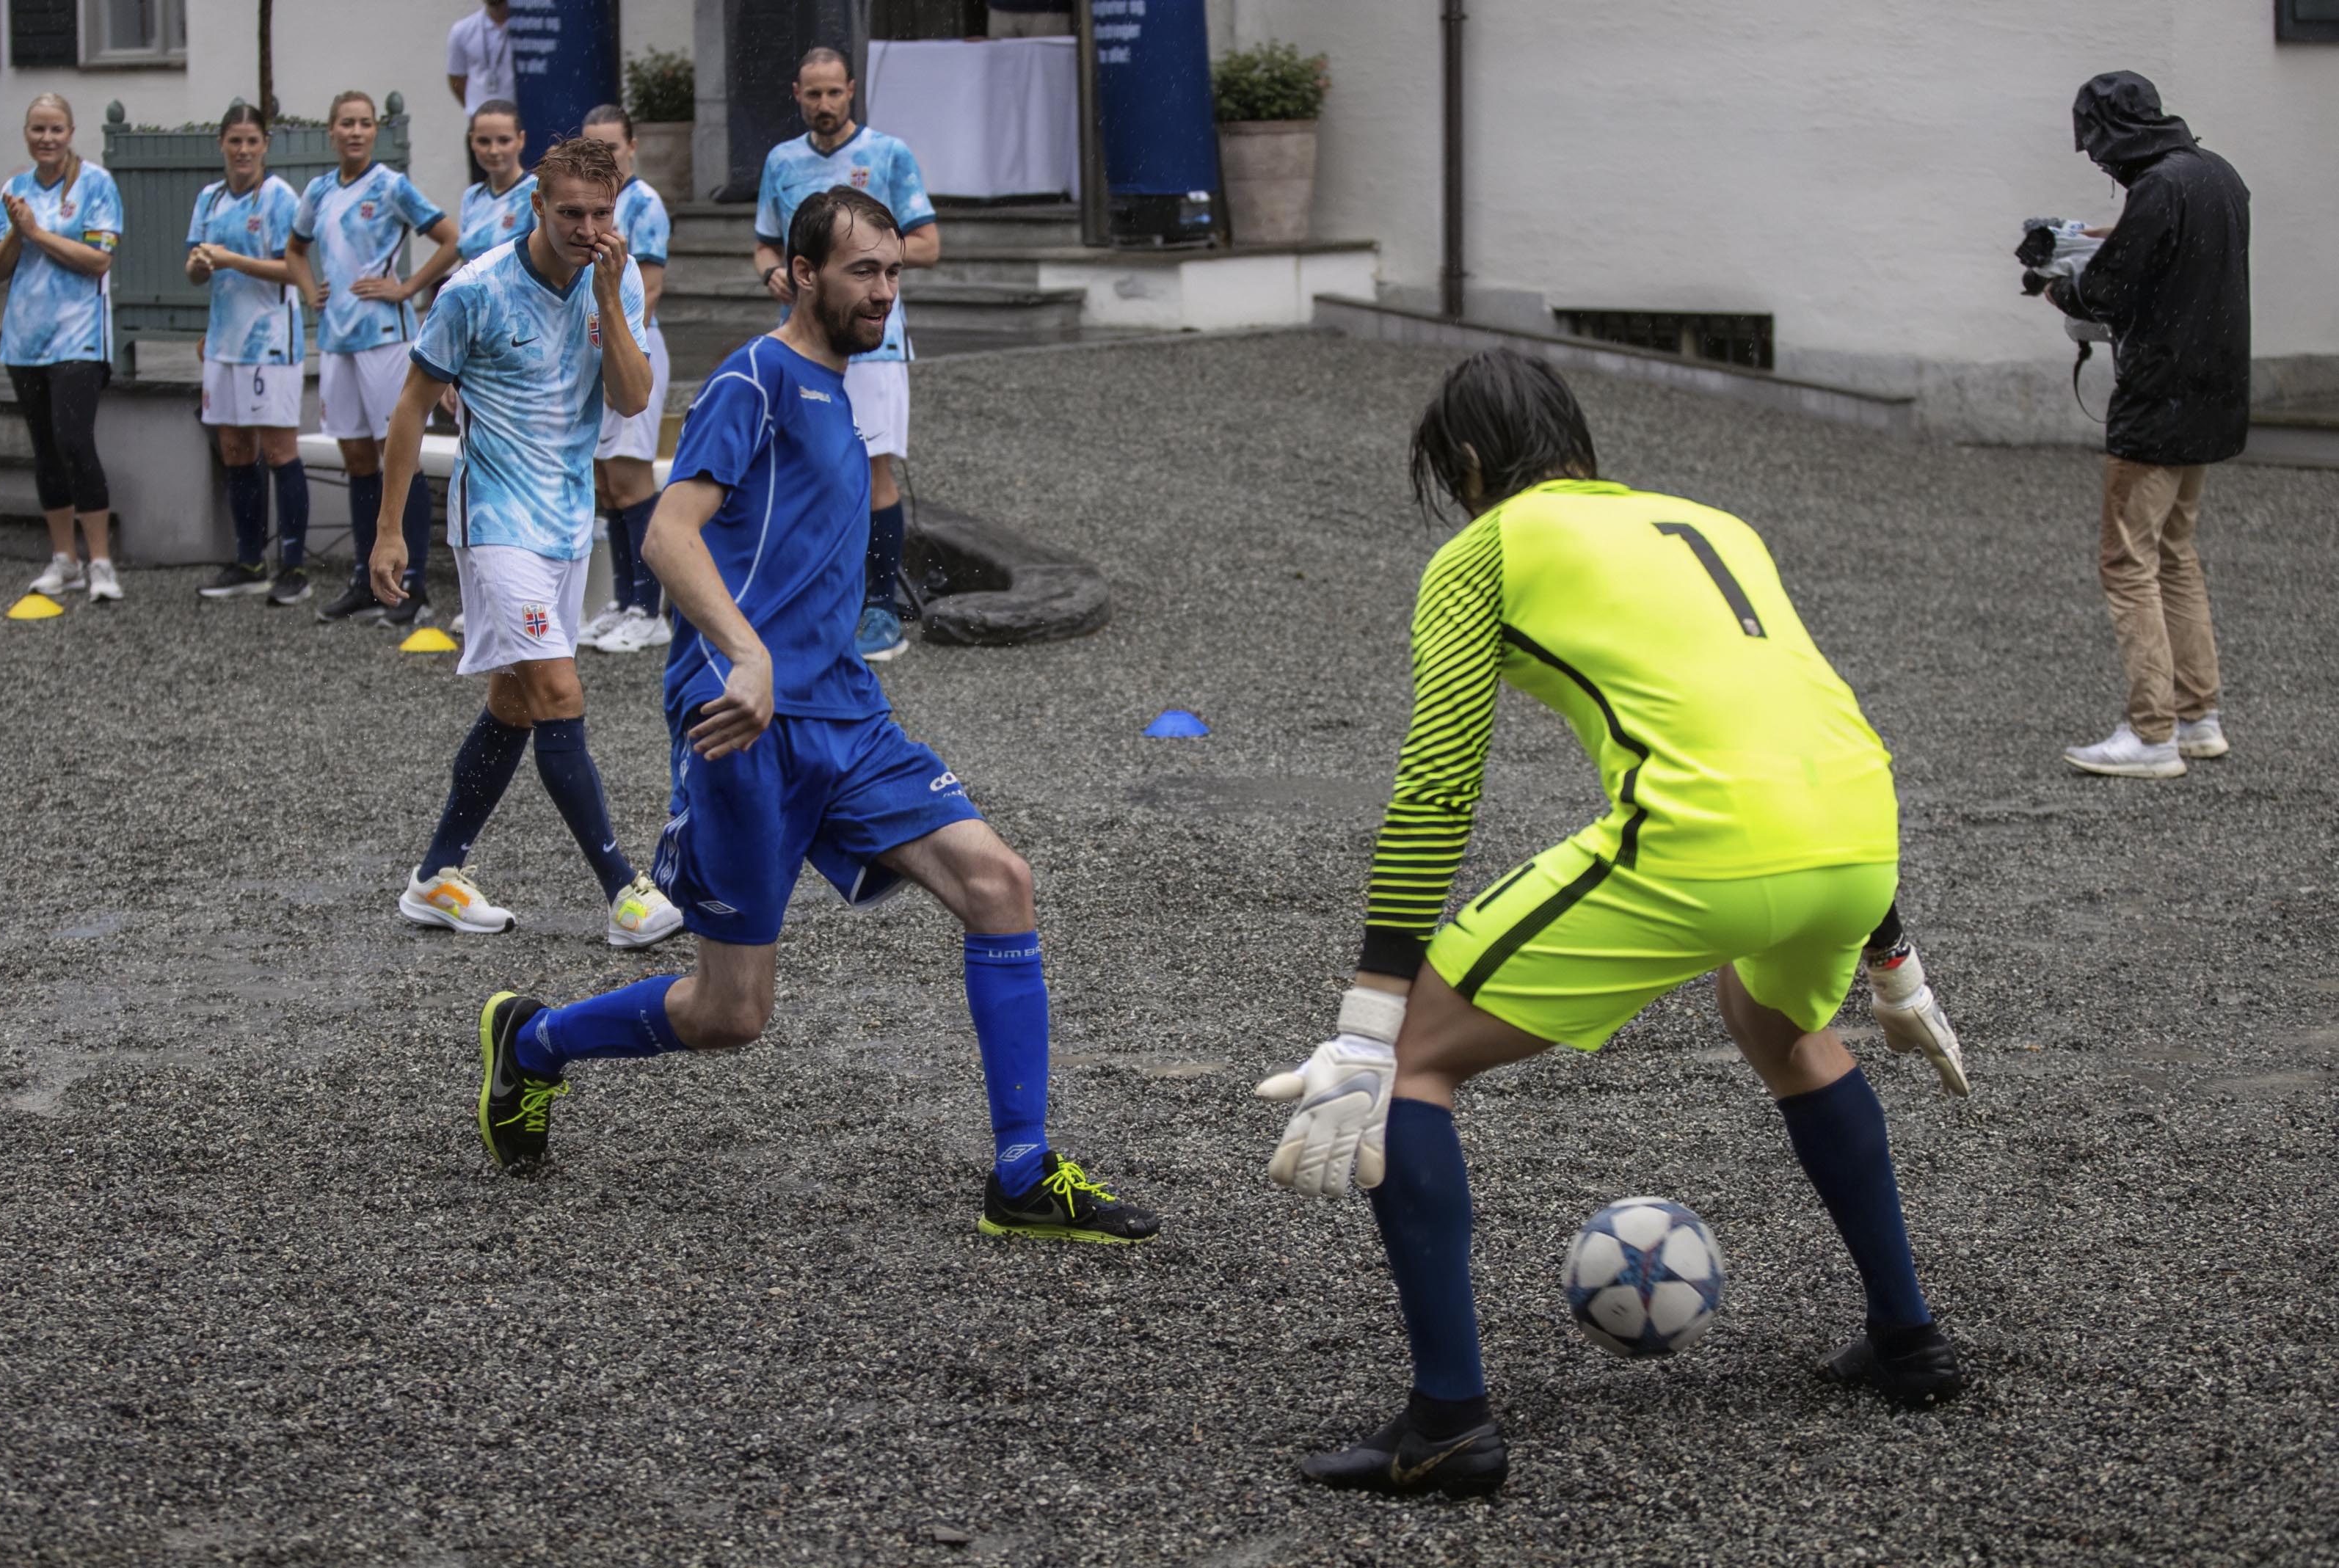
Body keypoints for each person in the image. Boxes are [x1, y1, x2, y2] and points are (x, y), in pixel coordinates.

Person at [1262, 351, 1965, 1499]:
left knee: (1410, 1067)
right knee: (1775, 1020)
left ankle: (1447, 1424)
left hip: (1702, 837)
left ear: (1472, 464)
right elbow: (1799, 721)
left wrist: (1365, 1017)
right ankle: (1909, 1338)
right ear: (1576, 439)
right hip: (1859, 829)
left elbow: (1439, 784)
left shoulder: (1482, 549)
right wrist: (1892, 960)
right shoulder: (1713, 522)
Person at [468, 188, 1160, 1248]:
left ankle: (1021, 1170)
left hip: (846, 715)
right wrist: (743, 655)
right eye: (860, 272)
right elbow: (667, 537)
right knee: (731, 1013)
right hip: (742, 731)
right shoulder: (758, 378)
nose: (883, 290)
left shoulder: (846, 392)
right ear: (798, 275)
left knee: (1000, 884)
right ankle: (537, 1044)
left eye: (891, 271)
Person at [368, 135, 680, 951]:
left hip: (566, 524)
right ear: (535, 205)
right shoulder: (473, 290)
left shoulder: (616, 283)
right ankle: (624, 891)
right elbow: (410, 407)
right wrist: (389, 529)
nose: (586, 227)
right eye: (570, 212)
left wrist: (612, 301)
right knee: (556, 689)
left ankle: (437, 875)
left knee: (514, 699)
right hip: (495, 522)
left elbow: (633, 397)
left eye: (600, 213)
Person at [2048, 72, 2249, 781]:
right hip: (2213, 396)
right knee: (2175, 553)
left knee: (2126, 561)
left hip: (2157, 399)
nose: (2099, 162)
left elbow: (2107, 289)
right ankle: (2198, 719)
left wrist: (2058, 284)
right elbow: (2179, 255)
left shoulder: (2157, 188)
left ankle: (2151, 733)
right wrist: (2113, 236)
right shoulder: (2215, 174)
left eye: (2096, 146)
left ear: (2110, 134)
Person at [750, 46, 941, 662]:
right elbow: (762, 246)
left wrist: (856, 269)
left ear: (851, 91)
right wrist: (774, 274)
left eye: (834, 93)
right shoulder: (781, 160)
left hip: (874, 340)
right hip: (801, 340)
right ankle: (817, 600)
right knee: (808, 466)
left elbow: (928, 243)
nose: (824, 105)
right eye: (813, 94)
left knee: (872, 466)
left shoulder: (888, 154)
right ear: (797, 96)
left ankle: (880, 609)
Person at [286, 90, 462, 627]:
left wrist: (406, 286)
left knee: (396, 457)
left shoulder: (390, 185)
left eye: (365, 123)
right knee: (358, 460)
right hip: (338, 340)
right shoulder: (317, 190)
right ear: (332, 130)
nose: (356, 132)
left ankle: (412, 585)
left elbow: (452, 238)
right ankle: (366, 580)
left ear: (375, 130)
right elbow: (295, 249)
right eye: (347, 123)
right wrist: (308, 286)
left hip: (386, 337)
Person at [0, 94, 124, 604]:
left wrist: (37, 232)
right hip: (25, 338)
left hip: (79, 335)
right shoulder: (13, 188)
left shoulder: (96, 184)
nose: (47, 139)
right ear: (26, 133)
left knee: (74, 441)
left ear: (71, 132)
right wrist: (18, 236)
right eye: (38, 129)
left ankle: (102, 562)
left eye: (56, 130)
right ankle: (63, 558)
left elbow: (97, 259)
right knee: (44, 447)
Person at [186, 103, 311, 605]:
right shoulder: (209, 198)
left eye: (252, 141)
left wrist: (230, 259)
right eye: (234, 141)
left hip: (271, 343)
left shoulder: (281, 197)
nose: (242, 150)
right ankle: (248, 560)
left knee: (280, 450)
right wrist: (199, 264)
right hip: (223, 341)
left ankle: (295, 566)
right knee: (235, 449)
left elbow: (294, 270)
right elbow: (198, 270)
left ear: (265, 145)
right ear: (221, 144)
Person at [580, 103, 674, 657]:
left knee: (634, 479)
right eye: (592, 148)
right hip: (599, 351)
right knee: (609, 483)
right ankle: (621, 598)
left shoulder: (643, 204)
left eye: (611, 148)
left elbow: (652, 287)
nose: (603, 158)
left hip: (633, 350)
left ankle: (649, 607)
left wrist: (621, 357)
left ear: (632, 148)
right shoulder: (589, 205)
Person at [456, 100, 536, 271]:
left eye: (504, 141)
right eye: (484, 141)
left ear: (521, 140)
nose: (493, 151)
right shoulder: (472, 196)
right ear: (472, 142)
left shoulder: (538, 192)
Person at [444, 0, 514, 183]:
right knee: (482, 187)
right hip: (481, 126)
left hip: (519, 127)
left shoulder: (527, 29)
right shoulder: (463, 30)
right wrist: (478, 113)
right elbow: (457, 79)